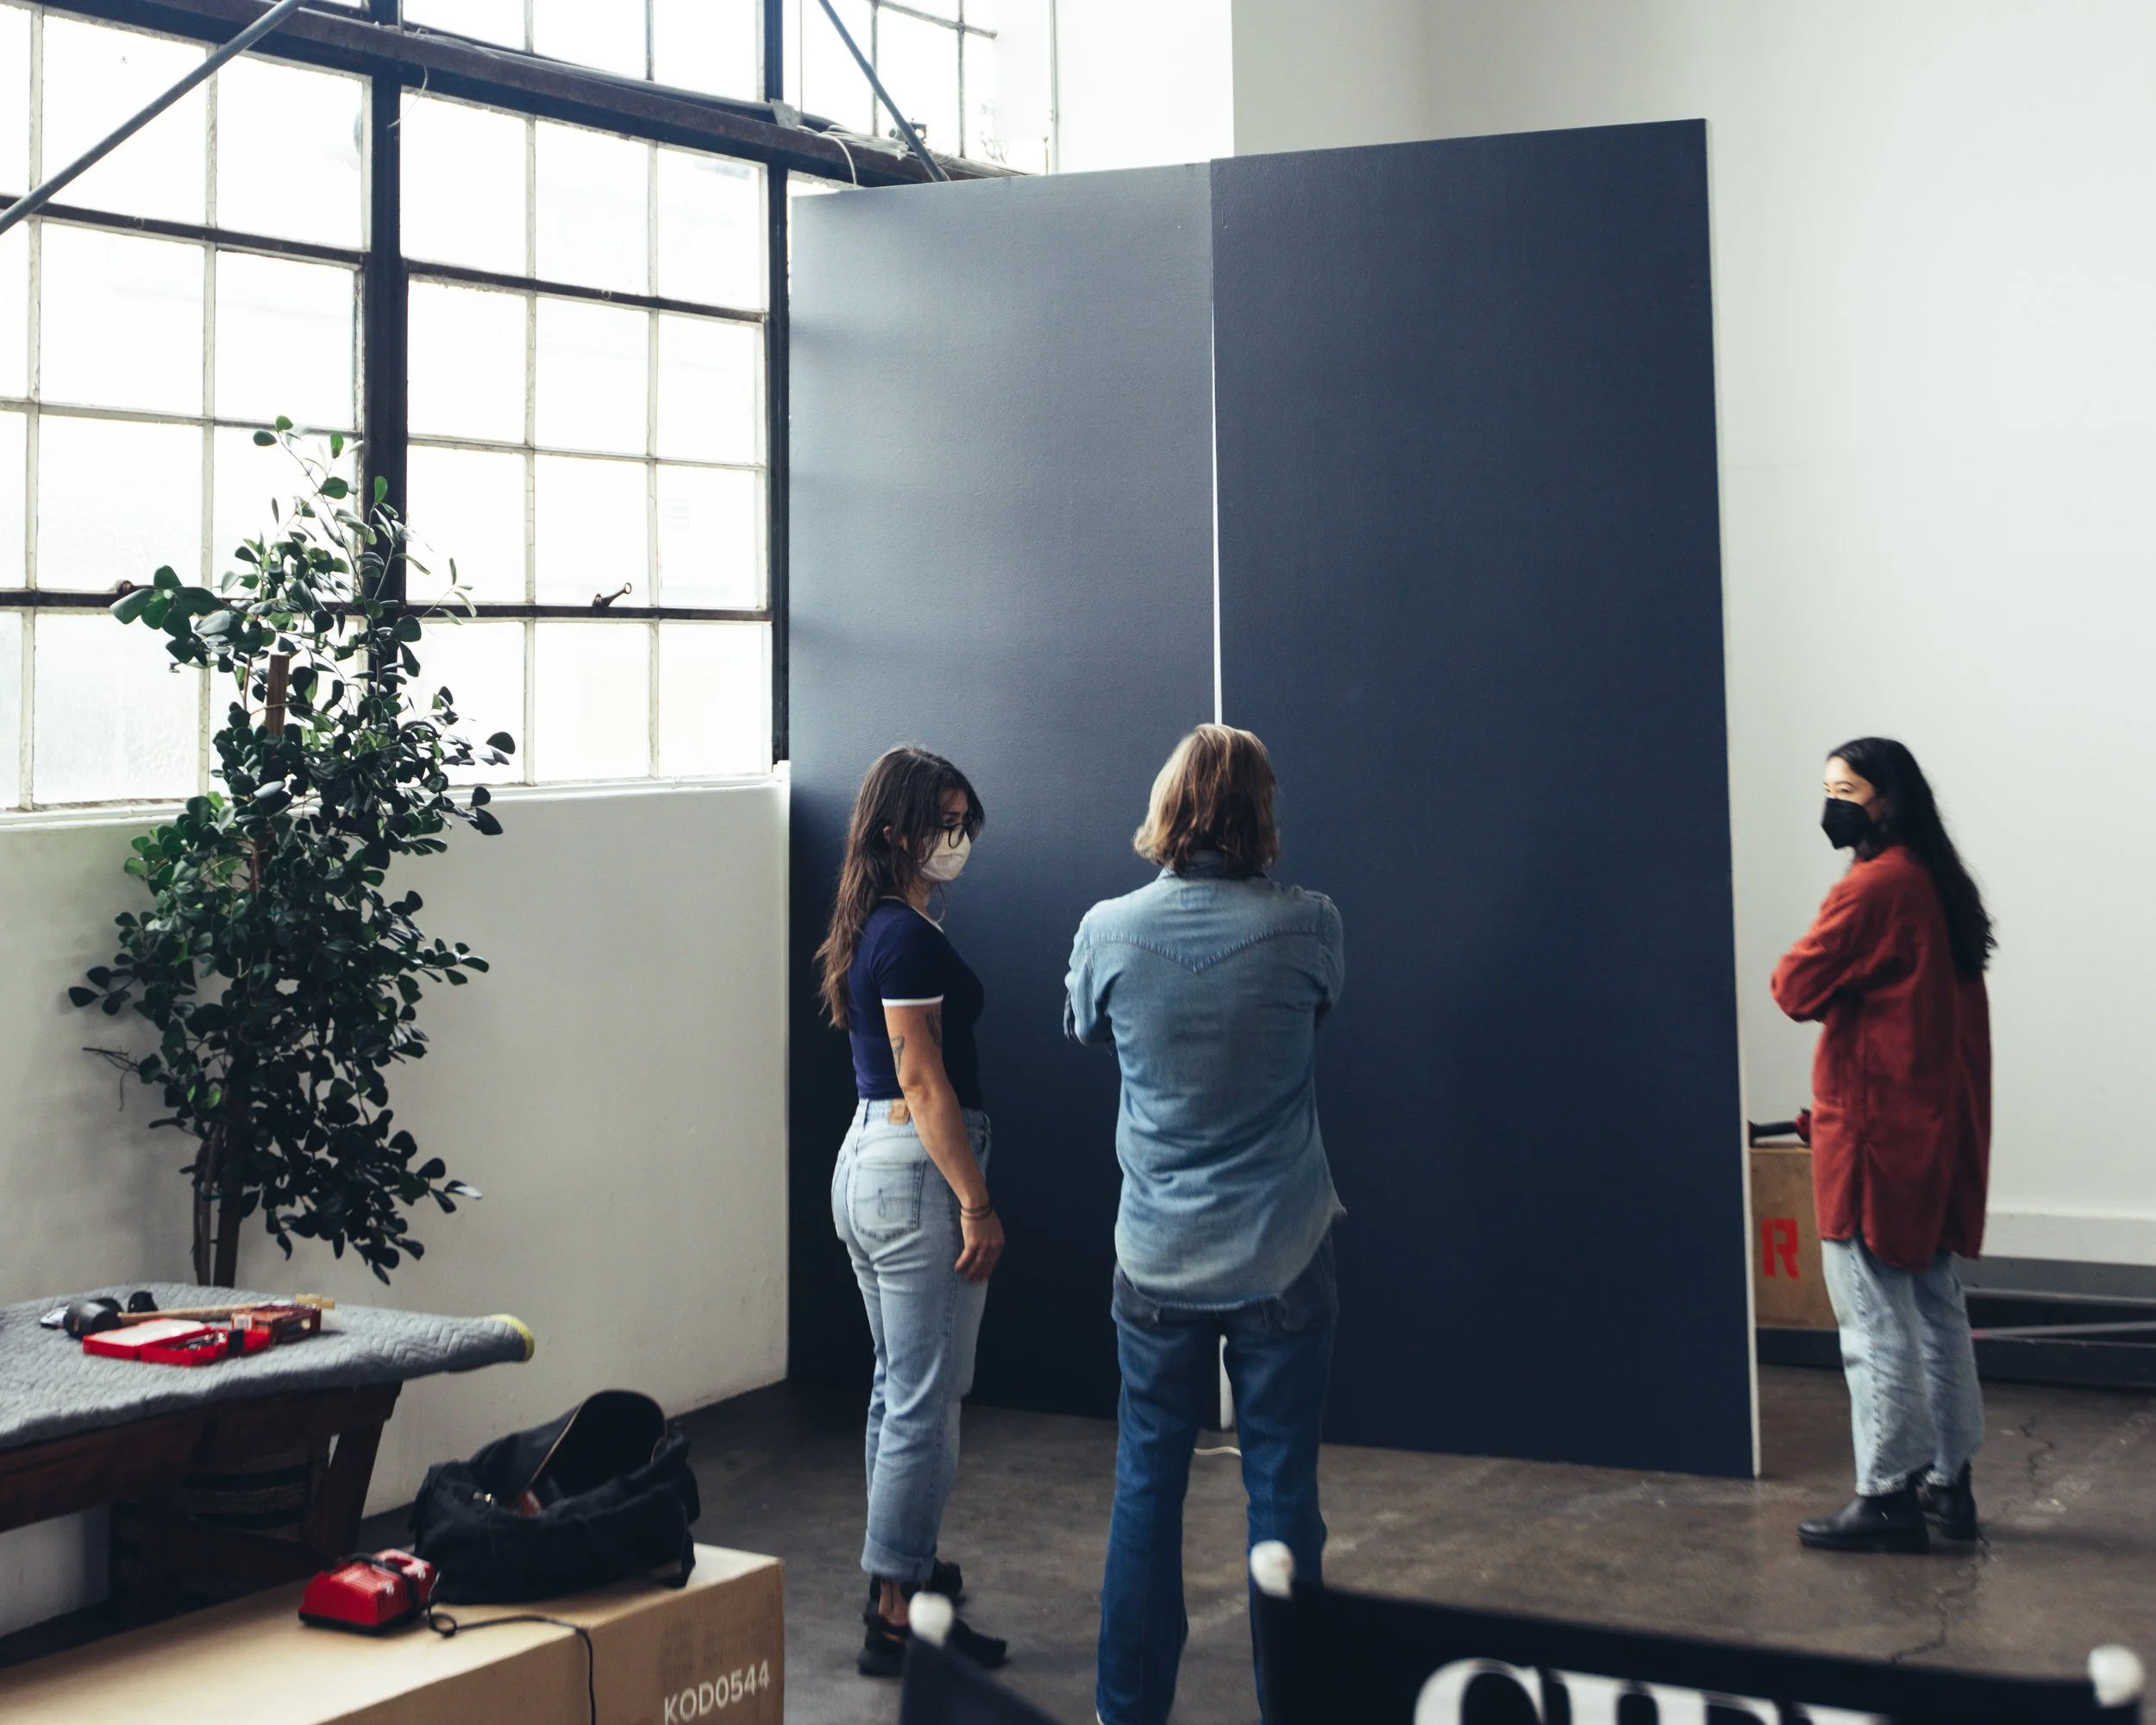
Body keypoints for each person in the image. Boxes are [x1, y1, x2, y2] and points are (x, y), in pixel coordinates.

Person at [1066, 724, 1345, 1725]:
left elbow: (1084, 1026)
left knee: (1147, 1484)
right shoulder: (1308, 923)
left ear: (1168, 805)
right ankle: (1299, 1705)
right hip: (1281, 1248)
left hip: (1155, 1257)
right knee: (1283, 1493)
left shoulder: (1107, 929)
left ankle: (1125, 1710)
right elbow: (1318, 1014)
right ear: (1259, 811)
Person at [1771, 737, 1993, 1554]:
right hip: (1930, 1135)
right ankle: (1947, 1483)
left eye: (1847, 789)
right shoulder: (1937, 882)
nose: (1833, 803)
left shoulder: (1875, 886)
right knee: (1937, 1311)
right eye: (1826, 786)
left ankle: (1886, 1495)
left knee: (1873, 1324)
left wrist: (1839, 986)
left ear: (1888, 799)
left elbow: (1793, 986)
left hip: (1872, 1138)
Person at [817, 745, 1009, 1674]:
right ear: (895, 830)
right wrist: (976, 1201)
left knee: (900, 1388)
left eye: (965, 819)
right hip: (915, 1170)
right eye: (942, 819)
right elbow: (924, 1079)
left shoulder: (878, 927)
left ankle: (903, 1575)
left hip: (870, 1160)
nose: (957, 836)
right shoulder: (903, 937)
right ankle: (897, 1608)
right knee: (925, 1398)